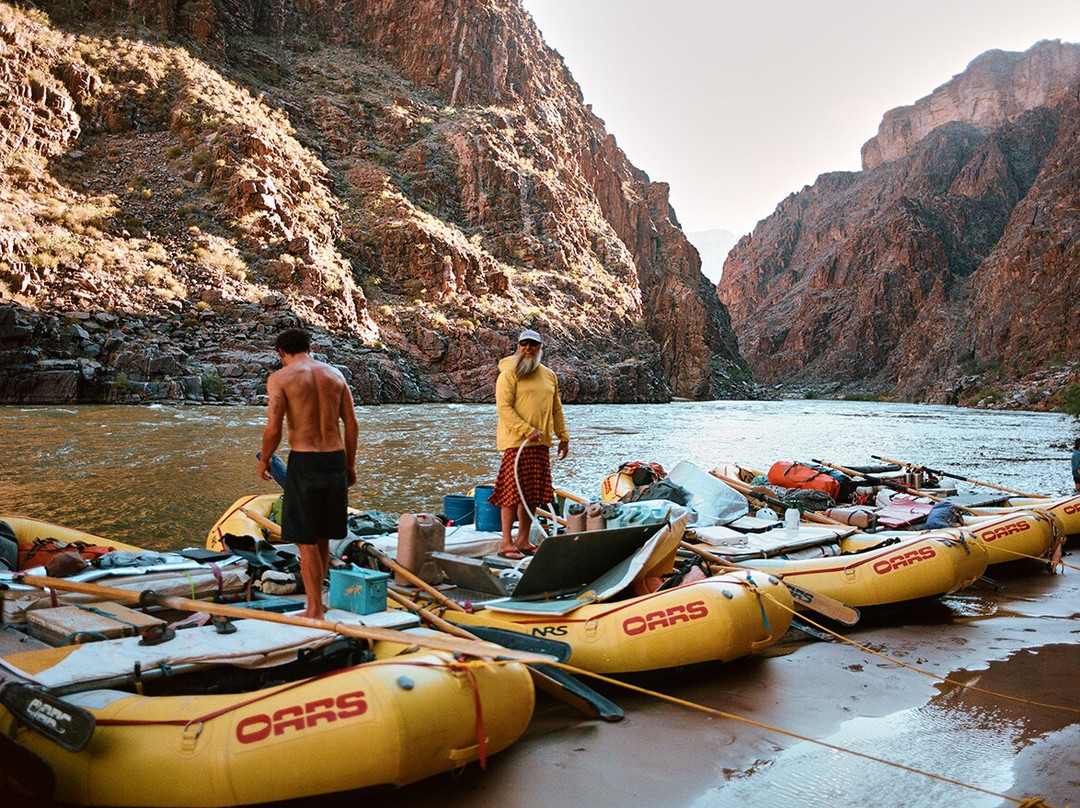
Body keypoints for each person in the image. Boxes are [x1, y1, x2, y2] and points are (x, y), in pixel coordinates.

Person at [257, 328, 358, 618]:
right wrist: (350, 464)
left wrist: (265, 459)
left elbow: (274, 428)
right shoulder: (335, 375)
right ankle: (319, 604)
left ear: (281, 352)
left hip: (306, 461)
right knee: (323, 535)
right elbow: (351, 424)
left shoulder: (280, 378)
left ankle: (314, 610)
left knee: (305, 539)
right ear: (309, 347)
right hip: (335, 459)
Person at [489, 329, 569, 559]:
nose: (528, 348)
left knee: (532, 494)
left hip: (541, 444)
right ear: (518, 346)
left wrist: (563, 437)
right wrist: (527, 430)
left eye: (533, 344)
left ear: (540, 348)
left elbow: (556, 409)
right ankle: (506, 542)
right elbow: (504, 408)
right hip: (517, 443)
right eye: (524, 344)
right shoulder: (509, 373)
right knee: (510, 493)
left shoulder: (549, 375)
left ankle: (522, 540)